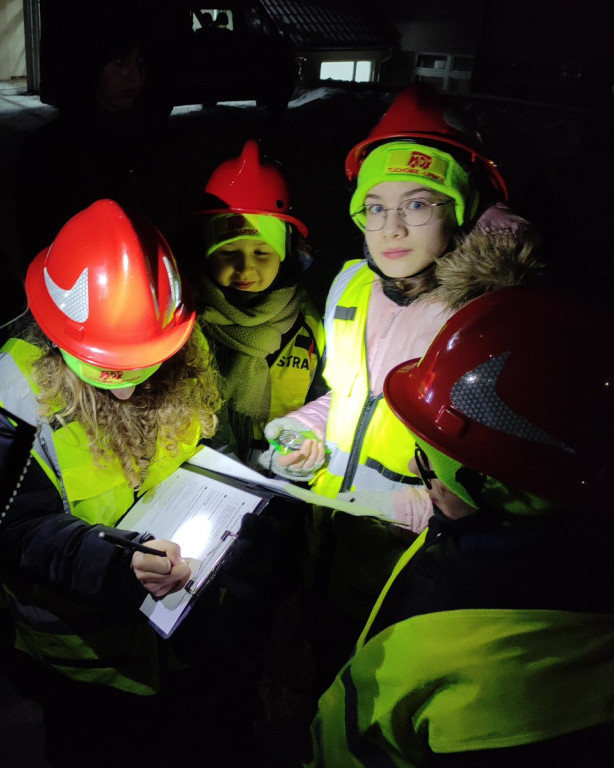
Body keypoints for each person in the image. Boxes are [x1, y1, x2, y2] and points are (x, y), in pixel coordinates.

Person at [258, 83, 545, 621]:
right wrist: (304, 430)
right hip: (330, 545)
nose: (390, 228)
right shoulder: (350, 286)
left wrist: (385, 508)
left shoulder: (483, 322)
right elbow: (349, 397)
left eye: (417, 203)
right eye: (375, 206)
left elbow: (497, 498)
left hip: (414, 576)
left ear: (462, 212)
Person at [308, 286, 614, 766]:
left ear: (491, 482)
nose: (418, 469)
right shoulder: (483, 541)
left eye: (430, 462)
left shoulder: (503, 676)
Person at [0, 199, 221, 765]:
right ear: (59, 336)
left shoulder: (184, 346)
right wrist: (115, 563)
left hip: (181, 640)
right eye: (108, 368)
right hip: (83, 662)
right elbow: (16, 529)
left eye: (147, 363)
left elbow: (207, 446)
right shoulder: (13, 394)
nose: (129, 389)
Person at [14, 3, 185, 263]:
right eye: (120, 63)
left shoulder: (162, 142)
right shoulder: (49, 150)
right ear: (91, 66)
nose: (135, 76)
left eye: (140, 62)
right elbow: (36, 241)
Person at [190, 138, 325, 464]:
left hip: (282, 474)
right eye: (228, 252)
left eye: (262, 252)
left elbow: (324, 403)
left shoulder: (308, 326)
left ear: (286, 254)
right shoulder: (187, 325)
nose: (245, 267)